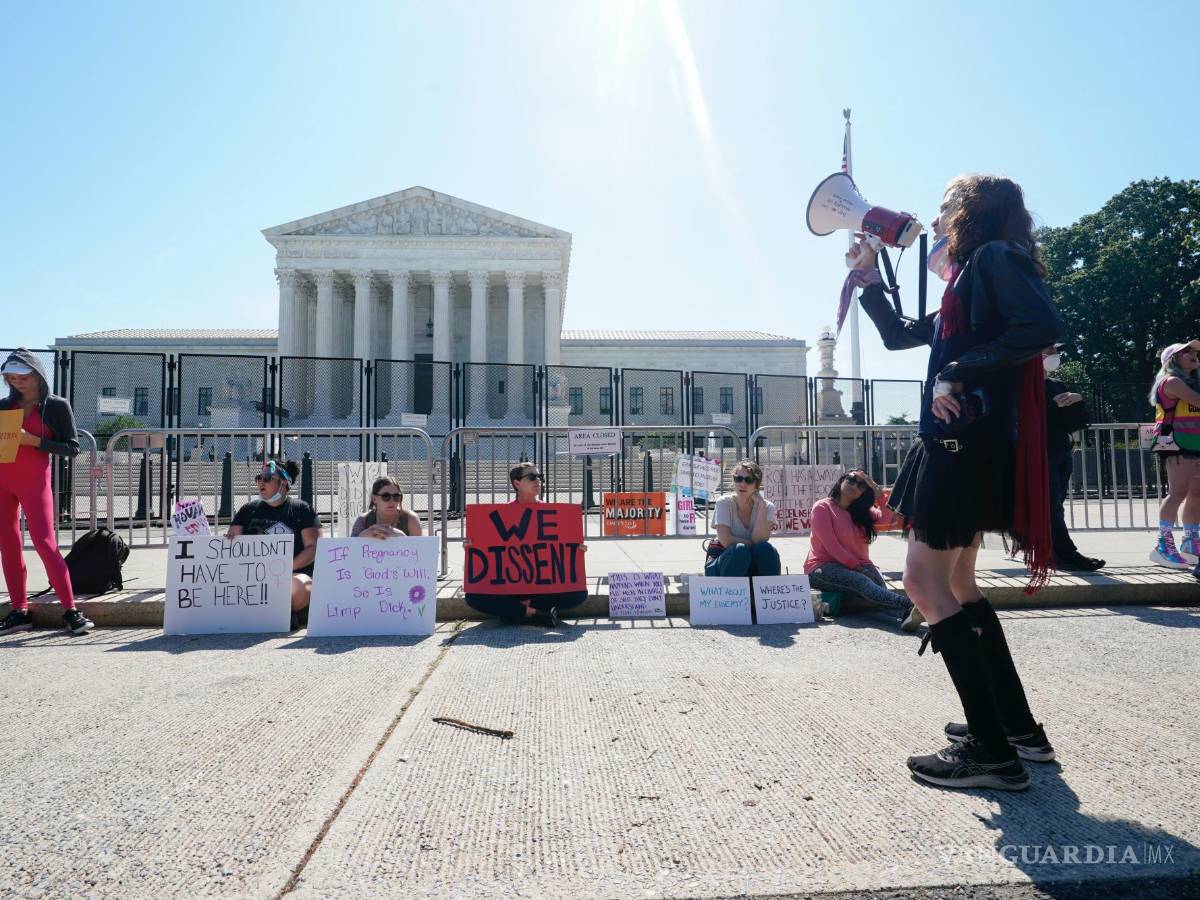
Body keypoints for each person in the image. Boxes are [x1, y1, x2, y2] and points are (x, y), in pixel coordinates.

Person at [849, 174, 1064, 791]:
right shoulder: (976, 272)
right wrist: (868, 274)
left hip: (962, 444)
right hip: (967, 444)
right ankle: (1016, 729)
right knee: (960, 583)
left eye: (947, 205)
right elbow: (899, 337)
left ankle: (993, 756)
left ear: (971, 210)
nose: (937, 216)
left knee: (921, 582)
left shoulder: (994, 257)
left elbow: (1042, 325)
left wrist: (958, 372)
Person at [0, 349, 94, 635]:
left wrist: (34, 441)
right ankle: (20, 611)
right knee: (9, 547)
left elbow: (73, 448)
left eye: (23, 377)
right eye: (11, 377)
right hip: (2, 482)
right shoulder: (3, 406)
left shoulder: (55, 406)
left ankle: (71, 610)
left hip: (34, 483)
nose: (17, 382)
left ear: (37, 374)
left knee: (45, 543)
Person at [463, 462, 587, 627]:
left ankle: (516, 612)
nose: (538, 481)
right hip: (510, 589)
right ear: (516, 483)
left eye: (539, 477)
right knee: (473, 597)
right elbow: (481, 564)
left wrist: (577, 550)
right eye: (531, 477)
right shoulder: (502, 513)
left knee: (579, 593)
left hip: (541, 588)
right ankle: (535, 613)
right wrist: (472, 549)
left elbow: (562, 552)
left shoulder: (554, 513)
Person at [804, 469, 921, 631]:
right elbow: (832, 546)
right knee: (863, 582)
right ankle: (911, 605)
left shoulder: (863, 512)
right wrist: (858, 568)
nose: (855, 485)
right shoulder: (822, 507)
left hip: (860, 566)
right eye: (851, 479)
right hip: (822, 568)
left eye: (861, 485)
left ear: (864, 493)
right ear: (841, 480)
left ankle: (906, 614)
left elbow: (890, 520)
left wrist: (879, 496)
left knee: (878, 591)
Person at [226, 459, 320, 631]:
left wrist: (285, 567)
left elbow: (313, 549)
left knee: (301, 586)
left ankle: (280, 612)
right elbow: (233, 544)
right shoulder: (247, 510)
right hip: (252, 576)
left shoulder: (302, 509)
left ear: (283, 482)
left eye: (268, 477)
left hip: (290, 575)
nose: (261, 481)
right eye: (259, 477)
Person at [1042, 347, 1104, 571]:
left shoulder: (1056, 384)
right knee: (1050, 504)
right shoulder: (1021, 384)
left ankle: (1053, 551)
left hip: (1061, 449)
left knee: (1056, 503)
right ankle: (1064, 553)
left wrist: (1077, 400)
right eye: (1047, 351)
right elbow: (1021, 417)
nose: (1053, 356)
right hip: (1039, 452)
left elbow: (1074, 423)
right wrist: (1052, 405)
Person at [1147, 340, 1200, 569]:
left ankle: (1191, 543)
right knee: (1177, 493)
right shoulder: (1172, 381)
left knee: (1196, 495)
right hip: (1176, 442)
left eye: (1193, 351)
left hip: (1194, 442)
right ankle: (1163, 545)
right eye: (1185, 351)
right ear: (1173, 359)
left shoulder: (1192, 382)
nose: (1192, 354)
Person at [706, 460, 781, 577]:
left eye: (749, 480)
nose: (742, 484)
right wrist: (749, 544)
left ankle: (768, 592)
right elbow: (725, 540)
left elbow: (759, 540)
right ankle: (731, 593)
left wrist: (761, 506)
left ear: (757, 485)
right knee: (740, 550)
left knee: (765, 548)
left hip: (751, 565)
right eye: (738, 479)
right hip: (726, 564)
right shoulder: (724, 502)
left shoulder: (767, 506)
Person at [351, 476, 423, 540]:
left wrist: (402, 537)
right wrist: (361, 537)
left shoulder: (411, 520)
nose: (392, 501)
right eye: (386, 496)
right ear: (374, 499)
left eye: (396, 496)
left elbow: (421, 551)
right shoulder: (363, 520)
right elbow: (351, 550)